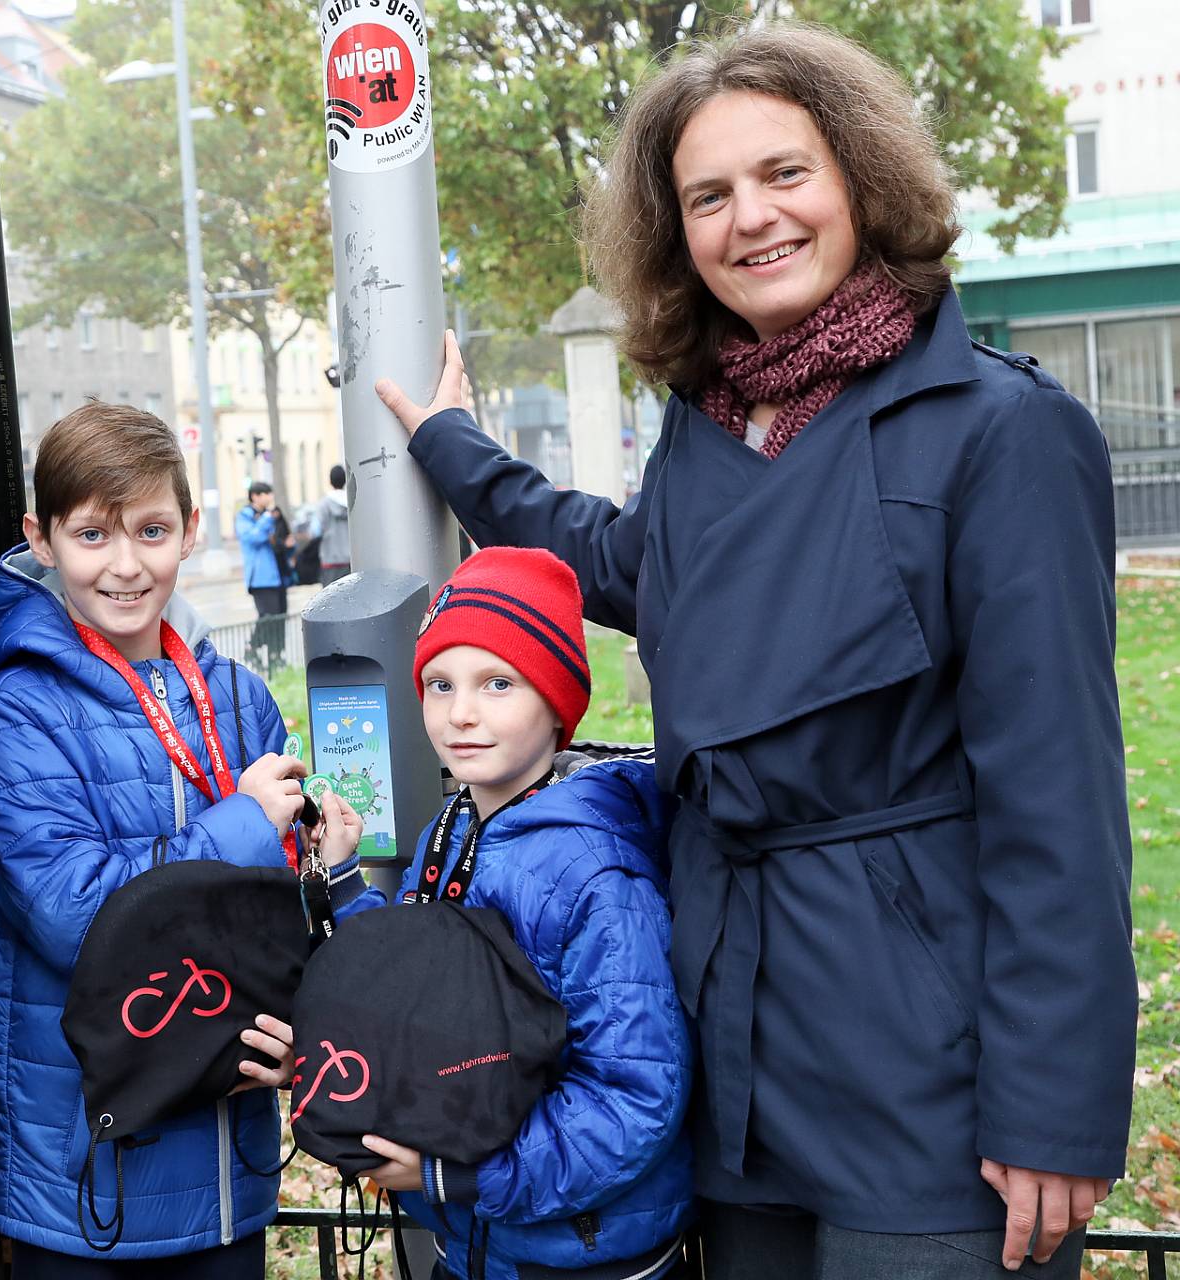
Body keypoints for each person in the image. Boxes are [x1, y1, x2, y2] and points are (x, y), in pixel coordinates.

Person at [375, 23, 1133, 1280]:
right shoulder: (716, 427)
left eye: (787, 173)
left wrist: (1054, 1102)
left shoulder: (1000, 431)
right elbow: (625, 567)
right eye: (708, 195)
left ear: (861, 182)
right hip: (728, 1045)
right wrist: (458, 448)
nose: (752, 218)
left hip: (926, 1070)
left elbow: (1061, 799)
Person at [0, 403, 343, 1278]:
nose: (127, 565)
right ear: (42, 539)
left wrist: (325, 881)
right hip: (87, 1186)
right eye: (93, 535)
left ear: (189, 529)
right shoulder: (20, 709)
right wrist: (244, 824)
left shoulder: (241, 699)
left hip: (225, 1168)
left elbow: (281, 917)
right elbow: (79, 918)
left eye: (152, 530)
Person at [324, 547, 693, 1280]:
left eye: (498, 683)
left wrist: (459, 1177)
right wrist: (340, 879)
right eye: (439, 683)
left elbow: (634, 1097)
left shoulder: (594, 871)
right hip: (479, 1249)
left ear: (556, 701)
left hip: (577, 1257)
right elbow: (409, 983)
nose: (461, 713)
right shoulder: (453, 828)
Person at [234, 481, 287, 667]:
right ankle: (252, 648)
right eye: (266, 494)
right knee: (267, 618)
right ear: (255, 496)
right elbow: (252, 537)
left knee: (279, 618)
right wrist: (267, 518)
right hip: (260, 578)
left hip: (278, 575)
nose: (269, 497)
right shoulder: (244, 516)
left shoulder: (269, 517)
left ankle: (276, 655)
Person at [314, 464, 352, 584]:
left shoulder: (324, 504)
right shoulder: (352, 501)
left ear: (330, 481)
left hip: (330, 560)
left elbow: (315, 531)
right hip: (352, 559)